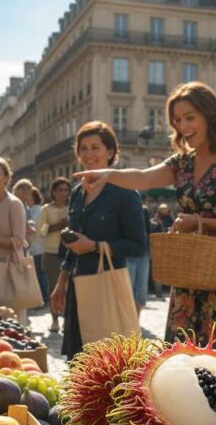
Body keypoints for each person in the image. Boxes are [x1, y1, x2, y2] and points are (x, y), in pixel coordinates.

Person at [75, 82, 216, 363]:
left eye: (190, 117)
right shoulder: (182, 162)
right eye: (177, 120)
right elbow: (142, 177)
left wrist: (200, 221)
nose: (183, 126)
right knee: (182, 361)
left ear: (210, 115)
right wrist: (105, 173)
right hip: (187, 273)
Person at [50, 122, 146, 359]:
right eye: (83, 148)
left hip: (107, 287)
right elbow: (73, 245)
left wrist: (94, 246)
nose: (89, 154)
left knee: (107, 363)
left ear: (110, 152)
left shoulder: (125, 192)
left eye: (96, 147)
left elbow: (138, 244)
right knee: (78, 361)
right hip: (77, 287)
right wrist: (60, 283)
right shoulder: (76, 192)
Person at [0, 157, 29, 323]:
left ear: (6, 177)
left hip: (9, 269)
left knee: (10, 319)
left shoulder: (14, 204)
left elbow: (18, 240)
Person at [37, 177, 71, 332]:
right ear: (53, 192)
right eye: (60, 190)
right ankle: (55, 319)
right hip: (51, 252)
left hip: (71, 251)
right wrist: (58, 225)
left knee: (70, 288)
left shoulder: (72, 208)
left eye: (65, 190)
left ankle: (69, 319)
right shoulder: (46, 210)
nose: (63, 193)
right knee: (54, 286)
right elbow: (41, 231)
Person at [13, 179, 47, 303]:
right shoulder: (14, 203)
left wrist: (29, 227)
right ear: (21, 191)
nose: (29, 194)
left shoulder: (26, 206)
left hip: (26, 246)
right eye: (28, 192)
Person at [126, 201, 153, 317]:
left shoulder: (144, 210)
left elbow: (148, 232)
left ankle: (136, 320)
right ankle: (131, 322)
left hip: (143, 254)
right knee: (128, 289)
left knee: (142, 291)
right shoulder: (121, 209)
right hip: (128, 254)